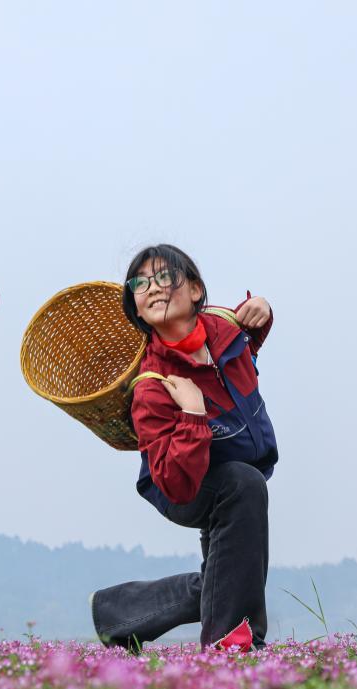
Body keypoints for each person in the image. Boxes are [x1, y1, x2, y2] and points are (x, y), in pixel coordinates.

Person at [89, 243, 277, 653]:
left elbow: (245, 352)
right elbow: (175, 483)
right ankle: (231, 648)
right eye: (140, 283)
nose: (152, 287)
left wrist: (261, 311)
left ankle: (119, 613)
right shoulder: (153, 387)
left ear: (195, 289)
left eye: (164, 276)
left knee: (228, 573)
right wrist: (193, 415)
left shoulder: (226, 332)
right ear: (137, 310)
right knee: (244, 488)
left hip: (238, 472)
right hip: (181, 484)